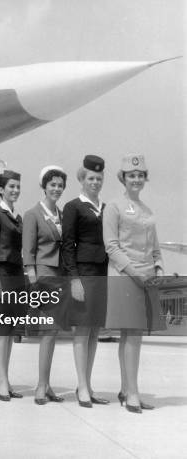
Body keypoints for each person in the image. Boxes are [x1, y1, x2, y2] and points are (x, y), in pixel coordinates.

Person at [103, 154, 164, 413]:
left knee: (133, 335)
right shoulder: (114, 206)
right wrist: (134, 272)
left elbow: (154, 246)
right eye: (131, 175)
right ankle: (132, 392)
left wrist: (159, 266)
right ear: (123, 178)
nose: (136, 179)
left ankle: (127, 389)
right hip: (125, 276)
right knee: (131, 334)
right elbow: (111, 246)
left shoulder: (147, 210)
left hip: (146, 276)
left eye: (140, 175)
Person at [62, 155, 109, 408]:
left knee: (94, 331)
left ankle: (88, 385)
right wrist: (74, 279)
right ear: (82, 179)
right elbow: (67, 245)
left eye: (99, 179)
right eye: (91, 178)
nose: (95, 182)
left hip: (101, 273)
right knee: (82, 329)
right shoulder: (74, 206)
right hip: (83, 272)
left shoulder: (105, 207)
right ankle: (81, 385)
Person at [22, 166, 69, 405]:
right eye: (53, 184)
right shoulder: (33, 214)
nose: (57, 189)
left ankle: (46, 384)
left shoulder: (61, 214)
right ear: (44, 186)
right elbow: (28, 251)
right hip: (43, 276)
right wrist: (33, 281)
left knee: (53, 332)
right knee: (48, 332)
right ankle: (41, 385)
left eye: (60, 185)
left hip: (59, 276)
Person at [0, 170, 27, 402]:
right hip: (1, 274)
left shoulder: (16, 217)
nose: (15, 190)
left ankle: (5, 379)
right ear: (1, 189)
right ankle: (1, 380)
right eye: (11, 186)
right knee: (2, 330)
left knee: (10, 331)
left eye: (17, 186)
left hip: (16, 275)